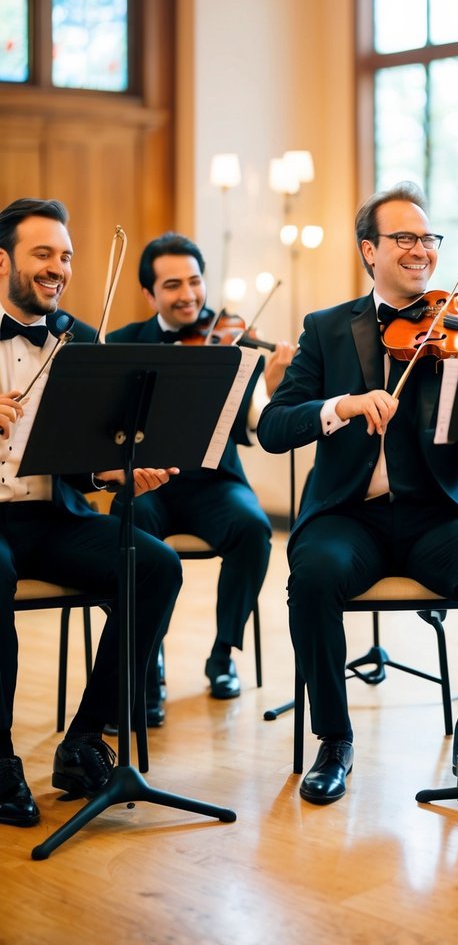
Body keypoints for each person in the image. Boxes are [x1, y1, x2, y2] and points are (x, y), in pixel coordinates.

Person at [257, 181, 458, 806]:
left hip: (438, 514)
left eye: (428, 238)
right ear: (369, 251)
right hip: (349, 515)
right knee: (313, 576)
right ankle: (334, 740)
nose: (420, 249)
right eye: (404, 237)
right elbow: (272, 428)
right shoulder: (326, 330)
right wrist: (340, 406)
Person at [0, 198, 182, 829]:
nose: (58, 267)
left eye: (67, 255)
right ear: (4, 261)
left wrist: (114, 471)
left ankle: (84, 740)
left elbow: (84, 456)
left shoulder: (79, 338)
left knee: (155, 565)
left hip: (52, 517)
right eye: (42, 253)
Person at [107, 233, 293, 719]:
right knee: (127, 525)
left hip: (215, 481)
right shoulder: (123, 343)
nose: (188, 294)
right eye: (173, 285)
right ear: (150, 295)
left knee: (254, 530)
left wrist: (270, 388)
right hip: (148, 482)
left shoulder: (232, 342)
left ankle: (223, 653)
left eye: (195, 281)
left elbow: (254, 422)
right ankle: (147, 662)